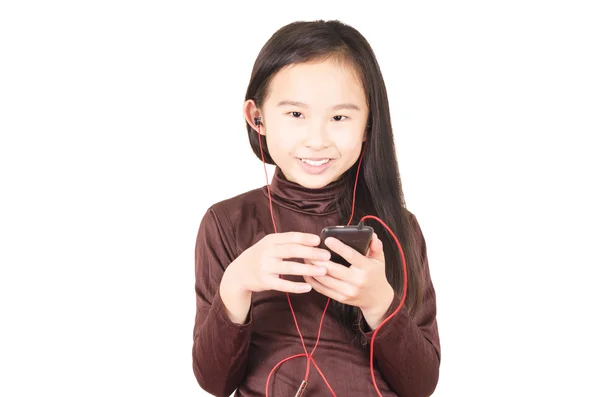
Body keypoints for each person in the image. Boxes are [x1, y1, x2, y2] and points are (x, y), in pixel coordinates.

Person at [192, 19, 440, 397]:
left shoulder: (397, 225)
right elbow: (215, 382)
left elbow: (421, 386)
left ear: (367, 125)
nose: (317, 140)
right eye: (296, 115)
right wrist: (236, 283)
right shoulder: (226, 223)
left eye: (339, 117)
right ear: (257, 117)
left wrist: (379, 304)